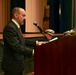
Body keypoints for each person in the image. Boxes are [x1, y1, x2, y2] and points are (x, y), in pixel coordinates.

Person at [1, 7, 46, 75]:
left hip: (18, 65)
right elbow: (17, 46)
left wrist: (37, 43)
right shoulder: (10, 28)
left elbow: (22, 40)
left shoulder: (15, 27)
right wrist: (33, 52)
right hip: (12, 66)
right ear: (16, 15)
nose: (25, 18)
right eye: (23, 15)